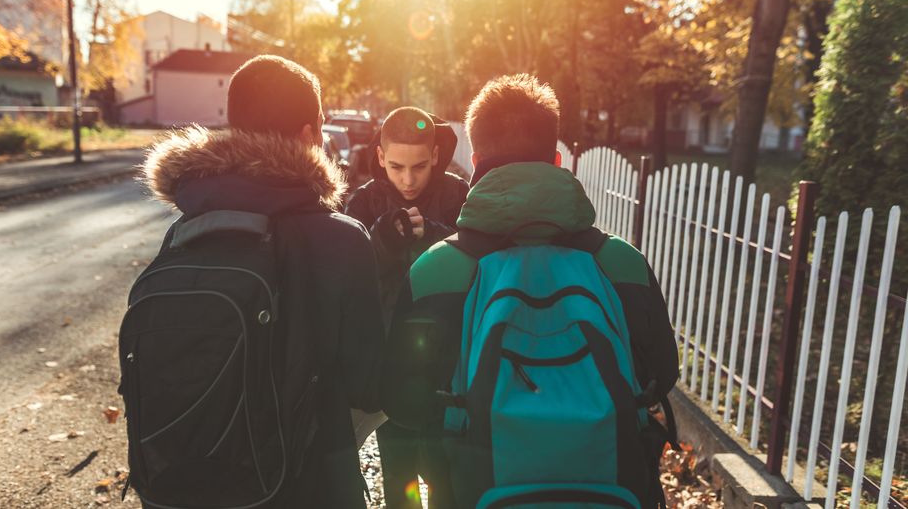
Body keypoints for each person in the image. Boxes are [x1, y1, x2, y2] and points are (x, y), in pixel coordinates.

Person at [380, 74, 679, 508]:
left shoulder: (437, 271)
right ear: (556, 160)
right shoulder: (621, 264)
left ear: (477, 158)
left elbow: (401, 403)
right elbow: (662, 374)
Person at [137, 55, 385, 509]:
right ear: (310, 135)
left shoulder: (185, 231)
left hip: (187, 479)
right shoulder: (340, 239)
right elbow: (369, 384)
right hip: (308, 482)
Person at [345, 106, 469, 509]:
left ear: (435, 154)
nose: (408, 179)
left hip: (448, 364)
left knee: (446, 478)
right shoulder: (363, 203)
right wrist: (380, 243)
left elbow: (477, 262)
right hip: (388, 362)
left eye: (419, 166)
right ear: (380, 158)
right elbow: (346, 283)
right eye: (397, 166)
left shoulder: (458, 195)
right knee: (399, 482)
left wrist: (434, 237)